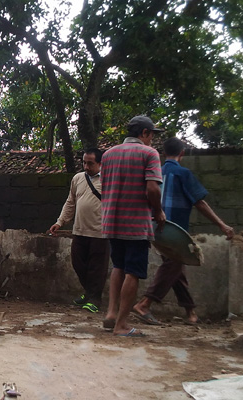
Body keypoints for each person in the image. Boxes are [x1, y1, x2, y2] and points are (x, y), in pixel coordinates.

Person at [132, 137, 235, 325]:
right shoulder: (183, 174)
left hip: (155, 228)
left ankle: (190, 312)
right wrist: (222, 225)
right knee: (175, 264)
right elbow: (200, 203)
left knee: (175, 269)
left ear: (163, 154)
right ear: (183, 153)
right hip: (175, 231)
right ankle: (145, 304)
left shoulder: (156, 172)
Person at [101, 116, 166, 337]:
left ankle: (111, 313)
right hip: (136, 223)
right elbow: (153, 190)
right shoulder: (149, 154)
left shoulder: (108, 155)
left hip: (112, 220)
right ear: (145, 133)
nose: (153, 140)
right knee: (133, 272)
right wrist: (157, 211)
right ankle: (121, 325)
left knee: (118, 266)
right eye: (152, 135)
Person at [48, 149, 109, 313]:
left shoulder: (109, 180)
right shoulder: (78, 179)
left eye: (90, 163)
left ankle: (95, 299)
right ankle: (89, 293)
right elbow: (70, 203)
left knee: (97, 267)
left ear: (100, 164)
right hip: (79, 230)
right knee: (78, 263)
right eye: (84, 162)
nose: (86, 166)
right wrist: (60, 222)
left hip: (100, 232)